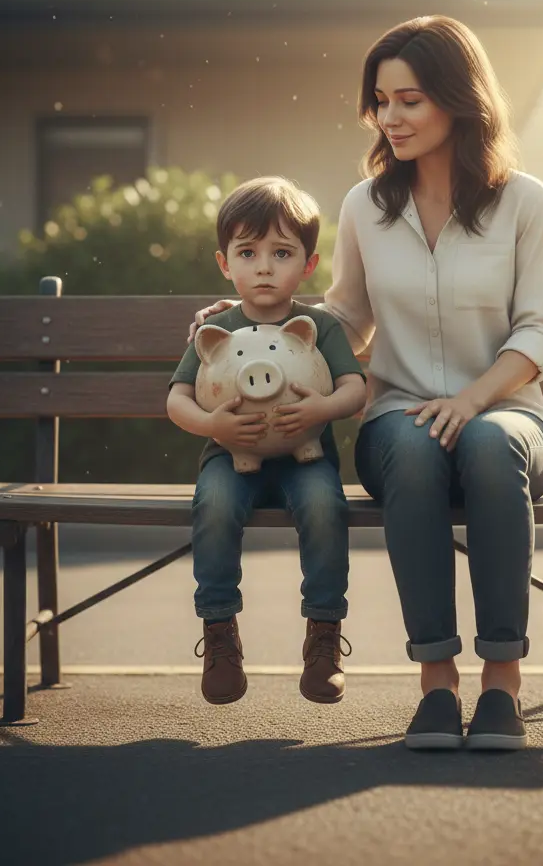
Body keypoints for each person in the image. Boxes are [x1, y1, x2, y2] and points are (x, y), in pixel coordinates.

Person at [190, 16, 543, 751]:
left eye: (410, 100)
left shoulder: (526, 202)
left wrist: (472, 399)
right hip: (397, 419)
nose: (390, 117)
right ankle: (436, 685)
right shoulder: (366, 205)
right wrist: (248, 326)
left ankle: (501, 686)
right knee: (418, 448)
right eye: (381, 101)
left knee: (487, 446)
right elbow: (347, 317)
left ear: (460, 100)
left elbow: (540, 331)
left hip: (512, 418)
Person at [167, 176, 367, 707]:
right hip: (230, 455)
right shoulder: (217, 328)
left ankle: (324, 636)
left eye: (281, 253)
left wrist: (323, 409)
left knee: (327, 506)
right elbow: (178, 399)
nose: (263, 266)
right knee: (212, 504)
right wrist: (214, 428)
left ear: (307, 264)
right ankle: (219, 633)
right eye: (247, 252)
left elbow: (354, 387)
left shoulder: (317, 326)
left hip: (307, 459)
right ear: (224, 263)